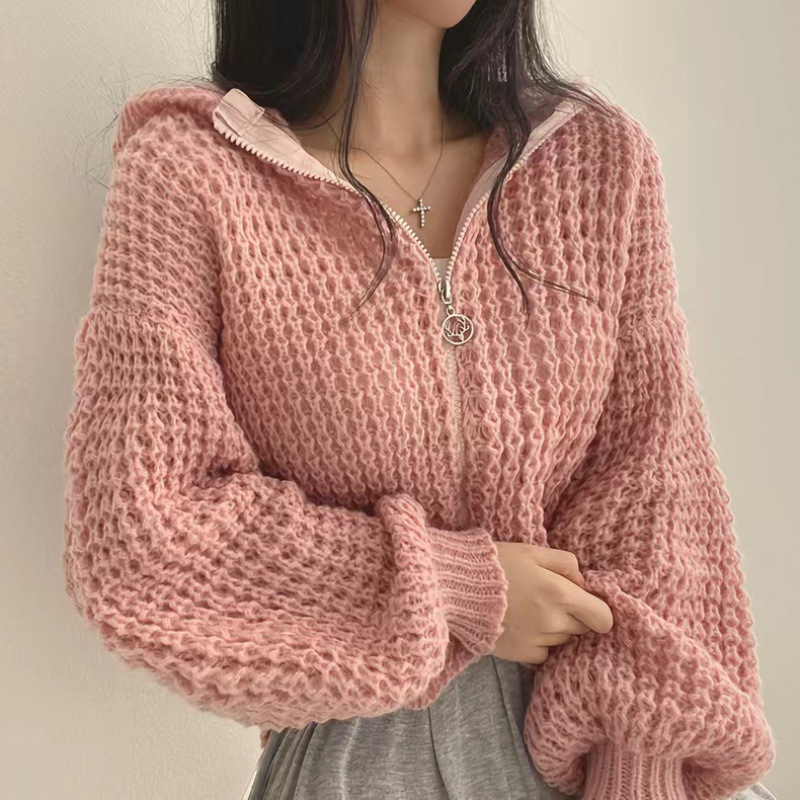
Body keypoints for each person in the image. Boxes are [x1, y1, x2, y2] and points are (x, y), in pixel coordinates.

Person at [62, 1, 778, 798]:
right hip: (356, 767)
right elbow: (142, 534)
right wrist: (449, 587)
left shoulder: (595, 164)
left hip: (583, 763)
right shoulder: (189, 174)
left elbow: (657, 494)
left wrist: (639, 770)